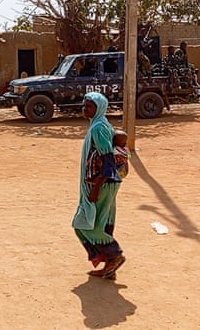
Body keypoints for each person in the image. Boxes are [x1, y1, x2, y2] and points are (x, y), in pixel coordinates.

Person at [72, 92, 125, 279]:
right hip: (106, 183)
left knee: (83, 224)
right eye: (84, 104)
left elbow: (108, 162)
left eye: (89, 106)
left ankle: (114, 254)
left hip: (102, 183)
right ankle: (109, 266)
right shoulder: (99, 124)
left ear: (99, 108)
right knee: (101, 223)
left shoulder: (98, 128)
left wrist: (95, 188)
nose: (84, 108)